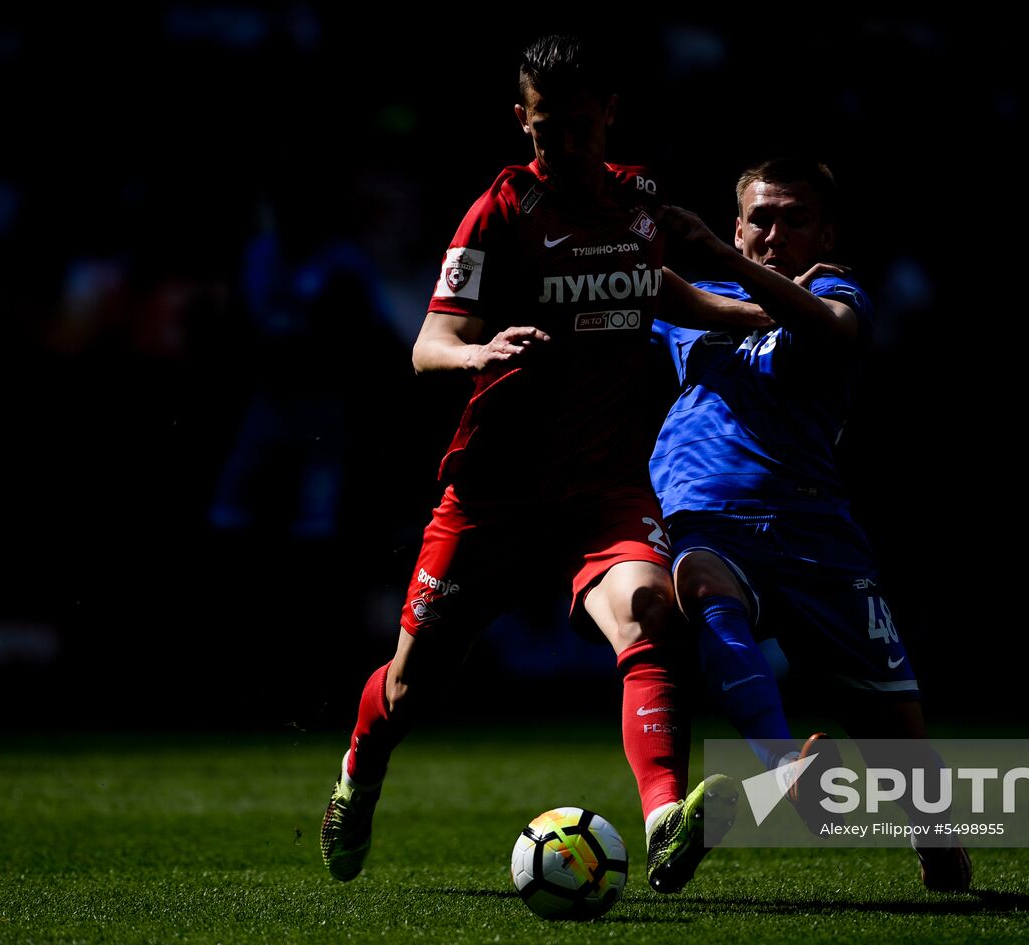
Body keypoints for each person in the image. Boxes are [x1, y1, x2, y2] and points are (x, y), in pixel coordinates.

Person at [319, 34, 756, 892]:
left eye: (582, 127)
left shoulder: (641, 202)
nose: (564, 146)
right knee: (411, 690)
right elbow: (427, 344)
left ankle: (666, 817)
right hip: (495, 491)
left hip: (605, 484)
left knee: (650, 613)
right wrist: (475, 356)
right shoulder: (501, 211)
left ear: (610, 116)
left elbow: (650, 283)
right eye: (547, 129)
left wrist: (727, 310)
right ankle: (359, 770)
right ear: (521, 119)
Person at [651, 158, 972, 892]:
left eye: (796, 217)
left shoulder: (836, 289)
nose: (775, 232)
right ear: (738, 224)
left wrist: (721, 257)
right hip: (713, 518)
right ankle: (784, 765)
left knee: (896, 737)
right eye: (760, 217)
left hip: (815, 535)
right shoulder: (699, 303)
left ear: (826, 231)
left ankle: (938, 842)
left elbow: (831, 328)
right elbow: (633, 288)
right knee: (698, 583)